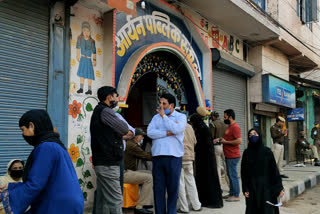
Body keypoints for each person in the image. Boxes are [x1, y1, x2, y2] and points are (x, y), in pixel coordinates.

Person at [0, 109, 84, 214]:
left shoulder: (46, 147)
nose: (23, 134)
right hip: (67, 202)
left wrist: (5, 196)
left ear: (31, 126)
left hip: (58, 205)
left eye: (23, 130)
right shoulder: (57, 145)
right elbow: (42, 181)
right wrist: (12, 187)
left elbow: (35, 185)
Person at [90, 86, 129, 214]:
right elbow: (124, 128)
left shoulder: (98, 111)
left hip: (102, 161)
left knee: (104, 201)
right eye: (116, 96)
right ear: (109, 97)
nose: (117, 99)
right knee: (115, 200)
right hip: (108, 163)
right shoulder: (105, 111)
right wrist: (120, 131)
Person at [147, 93, 187, 214]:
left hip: (173, 157)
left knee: (173, 189)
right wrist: (166, 133)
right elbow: (150, 133)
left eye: (164, 104)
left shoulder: (181, 117)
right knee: (158, 189)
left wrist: (164, 117)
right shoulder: (155, 117)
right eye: (160, 103)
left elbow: (176, 129)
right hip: (158, 157)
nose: (161, 106)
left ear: (172, 105)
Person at [241, 128, 285, 214]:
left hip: (267, 188)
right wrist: (245, 188)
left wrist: (279, 187)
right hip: (252, 187)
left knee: (267, 210)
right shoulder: (246, 153)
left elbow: (274, 171)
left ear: (260, 135)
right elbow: (244, 172)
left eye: (255, 134)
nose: (252, 136)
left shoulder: (267, 151)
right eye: (250, 135)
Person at [190, 113, 223, 208]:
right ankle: (207, 200)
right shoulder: (204, 127)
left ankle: (207, 201)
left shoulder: (201, 129)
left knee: (205, 179)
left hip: (204, 158)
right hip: (207, 158)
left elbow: (200, 144)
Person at [124, 128, 153, 214]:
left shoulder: (130, 144)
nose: (142, 138)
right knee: (149, 178)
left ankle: (146, 202)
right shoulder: (132, 145)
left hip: (128, 171)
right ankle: (140, 206)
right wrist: (159, 156)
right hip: (126, 173)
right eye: (141, 136)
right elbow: (145, 156)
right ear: (136, 137)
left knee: (150, 173)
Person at [177, 122, 202, 213]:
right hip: (190, 158)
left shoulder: (176, 125)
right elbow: (195, 141)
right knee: (191, 181)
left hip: (180, 157)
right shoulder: (190, 127)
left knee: (180, 183)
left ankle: (184, 207)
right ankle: (196, 205)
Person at [220, 109, 241, 202]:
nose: (224, 118)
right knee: (230, 175)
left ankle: (236, 195)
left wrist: (226, 142)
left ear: (230, 117)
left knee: (233, 175)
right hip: (228, 155)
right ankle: (232, 193)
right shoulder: (230, 126)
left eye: (225, 117)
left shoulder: (235, 127)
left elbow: (239, 140)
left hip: (233, 155)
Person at [76, 21, 96, 95]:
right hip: (82, 59)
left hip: (88, 59)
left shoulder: (92, 41)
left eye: (87, 31)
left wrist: (94, 60)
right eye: (84, 30)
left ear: (90, 32)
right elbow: (78, 48)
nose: (86, 32)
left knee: (89, 74)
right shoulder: (80, 39)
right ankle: (81, 88)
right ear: (82, 31)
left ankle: (89, 89)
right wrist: (78, 55)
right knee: (82, 74)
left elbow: (94, 51)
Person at [210, 111, 228, 187]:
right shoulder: (224, 124)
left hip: (216, 146)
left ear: (213, 117)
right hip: (224, 145)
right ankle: (231, 187)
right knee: (226, 166)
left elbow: (211, 137)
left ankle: (219, 186)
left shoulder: (213, 124)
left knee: (218, 167)